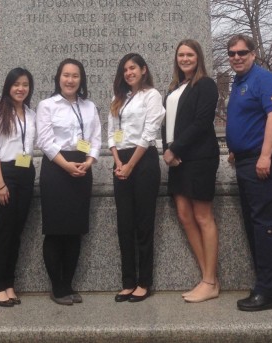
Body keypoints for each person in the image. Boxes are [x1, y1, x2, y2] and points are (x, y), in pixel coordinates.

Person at [225, 34, 272, 312]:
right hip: (245, 159)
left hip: (263, 161)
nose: (237, 57)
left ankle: (266, 292)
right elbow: (247, 120)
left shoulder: (264, 79)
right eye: (232, 53)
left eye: (242, 52)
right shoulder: (239, 82)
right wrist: (235, 150)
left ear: (253, 53)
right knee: (260, 223)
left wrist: (264, 155)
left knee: (265, 224)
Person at [35, 58, 101, 306]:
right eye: (66, 75)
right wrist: (65, 164)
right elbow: (45, 140)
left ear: (81, 79)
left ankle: (69, 284)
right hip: (56, 168)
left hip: (82, 168)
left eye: (75, 76)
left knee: (75, 231)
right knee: (55, 230)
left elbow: (96, 137)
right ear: (58, 78)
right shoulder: (47, 105)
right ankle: (57, 286)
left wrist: (90, 161)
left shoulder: (89, 106)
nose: (70, 80)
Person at [161, 39, 220, 303]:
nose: (185, 58)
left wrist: (175, 149)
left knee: (202, 216)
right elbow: (167, 124)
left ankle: (209, 281)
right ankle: (208, 277)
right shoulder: (175, 88)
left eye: (190, 54)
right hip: (177, 159)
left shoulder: (205, 84)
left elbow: (201, 122)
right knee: (184, 215)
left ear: (198, 57)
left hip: (199, 158)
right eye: (181, 55)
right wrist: (167, 150)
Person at [108, 53, 165, 303]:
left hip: (143, 161)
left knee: (143, 224)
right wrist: (118, 161)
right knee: (124, 225)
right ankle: (128, 281)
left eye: (133, 68)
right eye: (125, 70)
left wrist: (130, 164)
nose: (129, 73)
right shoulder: (118, 99)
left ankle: (144, 282)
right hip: (121, 162)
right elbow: (112, 133)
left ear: (143, 70)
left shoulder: (152, 96)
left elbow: (149, 131)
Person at [0, 68, 36, 307]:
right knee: (4, 231)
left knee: (17, 232)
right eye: (16, 84)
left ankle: (9, 283)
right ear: (8, 86)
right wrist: (0, 183)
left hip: (26, 173)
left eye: (25, 84)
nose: (21, 88)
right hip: (5, 173)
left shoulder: (31, 114)